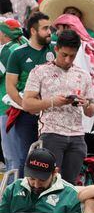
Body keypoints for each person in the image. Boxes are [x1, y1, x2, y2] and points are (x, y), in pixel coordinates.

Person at [22, 29, 94, 185]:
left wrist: (86, 103)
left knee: (70, 186)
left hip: (77, 137)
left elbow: (91, 111)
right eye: (64, 55)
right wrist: (52, 102)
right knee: (47, 183)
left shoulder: (83, 75)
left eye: (72, 56)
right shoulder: (40, 71)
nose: (68, 60)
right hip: (51, 133)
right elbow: (27, 104)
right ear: (56, 49)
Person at [6, 12, 55, 178]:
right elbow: (10, 86)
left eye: (50, 28)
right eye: (45, 28)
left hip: (52, 114)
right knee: (26, 156)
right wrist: (25, 105)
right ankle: (22, 196)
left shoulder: (56, 49)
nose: (50, 32)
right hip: (25, 115)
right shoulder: (18, 54)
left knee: (50, 157)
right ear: (33, 31)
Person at [38, 0, 94, 67]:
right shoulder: (55, 36)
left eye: (73, 13)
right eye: (68, 13)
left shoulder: (91, 35)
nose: (70, 16)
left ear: (80, 16)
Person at [0, 148, 81, 213]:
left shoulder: (70, 195)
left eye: (42, 180)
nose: (36, 185)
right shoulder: (13, 189)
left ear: (55, 172)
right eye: (32, 178)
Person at [0, 19, 27, 175]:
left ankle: (13, 192)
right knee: (17, 154)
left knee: (12, 155)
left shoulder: (10, 50)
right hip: (16, 106)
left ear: (4, 34)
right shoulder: (20, 47)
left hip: (7, 107)